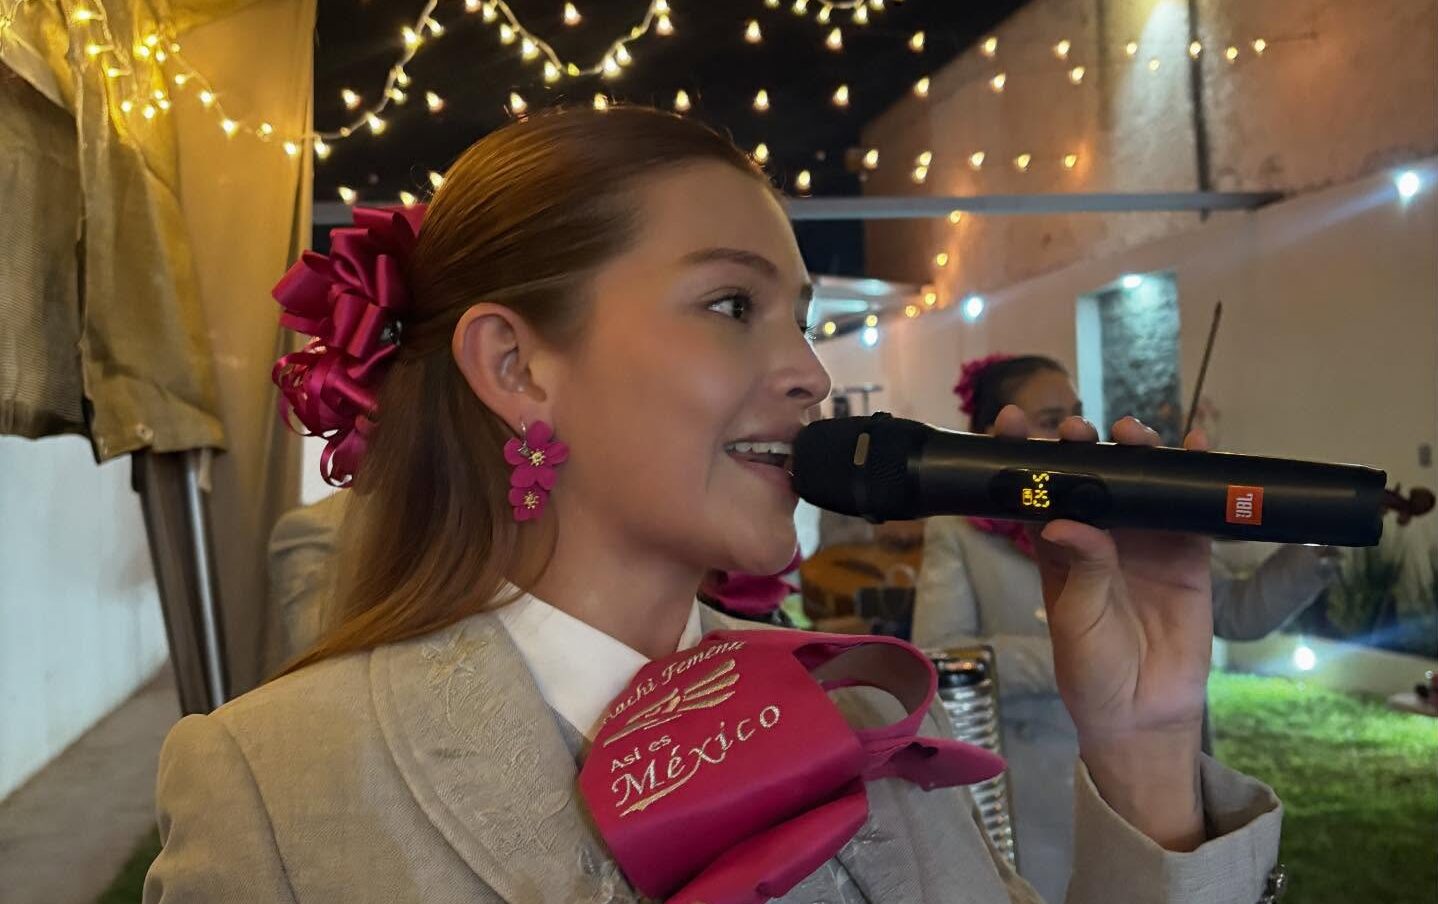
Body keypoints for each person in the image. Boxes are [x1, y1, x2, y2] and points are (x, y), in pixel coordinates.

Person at [144, 108, 1284, 904]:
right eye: (733, 303)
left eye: (803, 320)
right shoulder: (273, 786)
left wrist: (1143, 748)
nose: (809, 374)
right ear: (515, 365)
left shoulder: (867, 716)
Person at [913, 353, 1335, 903]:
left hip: (1157, 792)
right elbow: (942, 657)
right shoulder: (959, 533)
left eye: (1076, 412)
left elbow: (1239, 612)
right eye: (1050, 420)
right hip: (1037, 789)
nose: (1070, 431)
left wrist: (1321, 539)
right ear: (989, 435)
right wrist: (1079, 657)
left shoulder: (1120, 513)